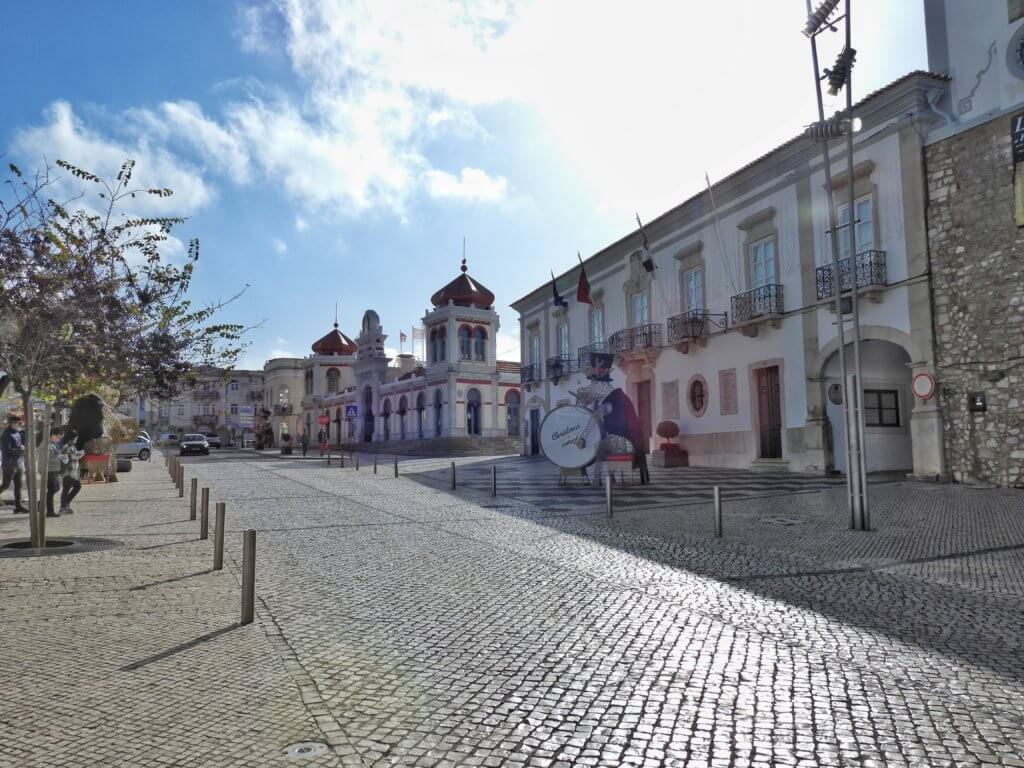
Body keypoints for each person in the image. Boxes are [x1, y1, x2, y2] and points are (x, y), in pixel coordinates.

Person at [0, 414, 28, 513]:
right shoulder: (6, 435)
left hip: (18, 463)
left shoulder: (17, 432)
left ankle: (18, 506)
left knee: (18, 485)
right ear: (11, 424)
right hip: (9, 464)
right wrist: (20, 450)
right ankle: (18, 506)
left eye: (19, 423)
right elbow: (7, 450)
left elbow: (18, 445)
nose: (19, 425)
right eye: (17, 423)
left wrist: (22, 448)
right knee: (6, 485)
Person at [60, 428, 85, 515]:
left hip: (73, 472)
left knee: (77, 486)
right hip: (68, 472)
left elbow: (74, 455)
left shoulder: (72, 447)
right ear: (72, 438)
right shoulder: (67, 447)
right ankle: (63, 507)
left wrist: (79, 453)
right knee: (66, 489)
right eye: (76, 438)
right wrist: (80, 454)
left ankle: (66, 504)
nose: (76, 439)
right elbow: (71, 457)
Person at [45, 426, 64, 518]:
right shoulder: (47, 444)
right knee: (52, 489)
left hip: (53, 469)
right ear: (53, 435)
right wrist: (61, 457)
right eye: (58, 437)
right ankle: (50, 511)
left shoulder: (52, 444)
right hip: (49, 470)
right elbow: (49, 458)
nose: (59, 439)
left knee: (56, 488)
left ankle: (42, 503)